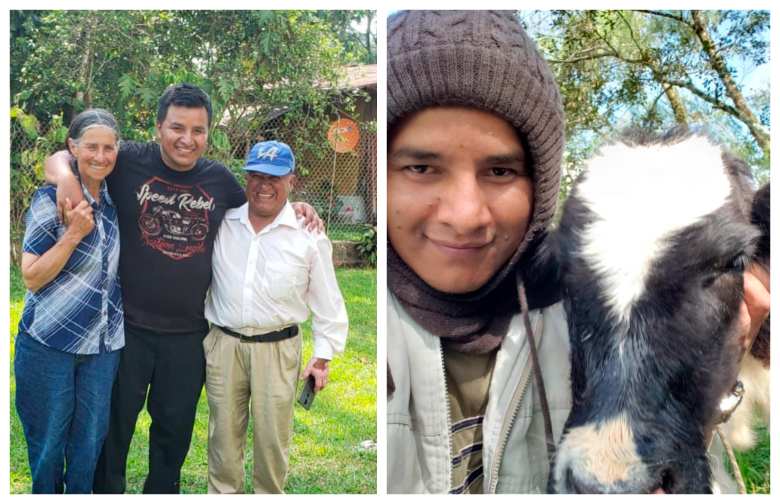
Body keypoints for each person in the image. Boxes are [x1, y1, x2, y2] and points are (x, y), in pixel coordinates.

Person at [385, 10, 770, 494]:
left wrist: (715, 380)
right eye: (420, 167)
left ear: (540, 183)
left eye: (501, 171)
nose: (465, 215)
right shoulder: (369, 323)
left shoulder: (564, 312)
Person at [43, 84, 322, 494]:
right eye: (177, 127)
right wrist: (67, 177)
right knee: (111, 430)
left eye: (198, 130)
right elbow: (62, 157)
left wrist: (299, 208)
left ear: (208, 134)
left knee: (173, 437)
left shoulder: (220, 181)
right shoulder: (128, 161)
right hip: (125, 331)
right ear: (159, 127)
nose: (186, 139)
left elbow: (261, 205)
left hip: (190, 337)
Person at [202, 141, 348, 493]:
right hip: (225, 345)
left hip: (278, 348)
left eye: (274, 177)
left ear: (291, 181)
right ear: (245, 177)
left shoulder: (308, 235)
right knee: (222, 439)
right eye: (255, 175)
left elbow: (328, 301)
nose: (263, 185)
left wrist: (323, 356)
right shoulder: (224, 222)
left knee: (271, 444)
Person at [16, 109, 124, 493]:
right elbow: (31, 277)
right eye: (90, 146)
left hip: (102, 347)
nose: (100, 155)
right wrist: (73, 234)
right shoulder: (50, 200)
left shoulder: (118, 203)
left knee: (88, 446)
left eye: (108, 147)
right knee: (48, 447)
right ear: (72, 147)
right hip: (49, 344)